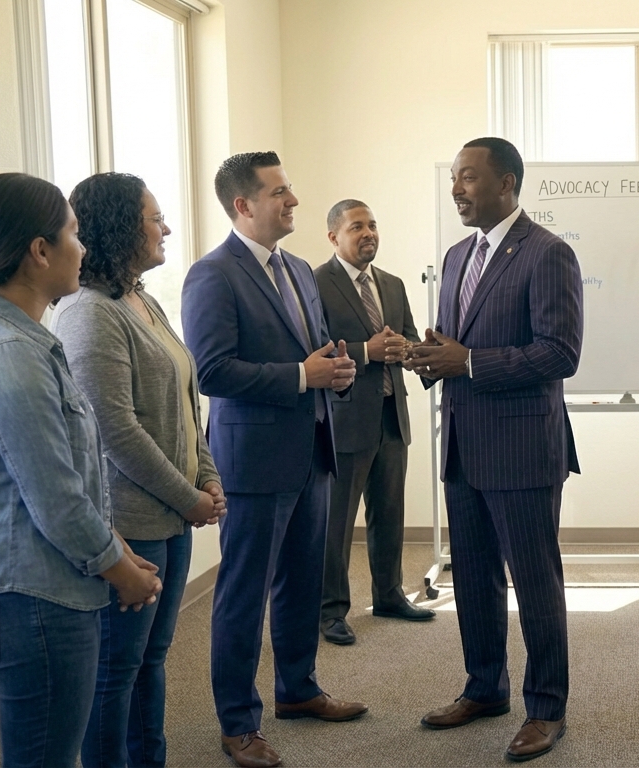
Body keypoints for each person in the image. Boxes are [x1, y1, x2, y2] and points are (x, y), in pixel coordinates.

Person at [0, 173, 162, 767]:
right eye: (74, 234)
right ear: (40, 251)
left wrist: (117, 550)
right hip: (33, 602)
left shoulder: (21, 339)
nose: (82, 250)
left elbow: (69, 478)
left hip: (41, 594)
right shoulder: (7, 352)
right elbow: (57, 497)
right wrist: (121, 570)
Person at [181, 152, 364, 768]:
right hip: (253, 460)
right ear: (243, 205)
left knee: (301, 582)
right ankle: (238, 723)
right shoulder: (212, 274)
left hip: (312, 449)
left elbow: (312, 354)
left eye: (291, 188)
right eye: (280, 192)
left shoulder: (298, 270)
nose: (292, 201)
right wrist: (298, 374)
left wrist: (334, 373)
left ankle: (298, 689)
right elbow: (212, 372)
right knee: (242, 594)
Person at [406, 137, 582, 762]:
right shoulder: (455, 257)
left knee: (535, 582)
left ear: (506, 183)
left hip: (523, 449)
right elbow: (458, 345)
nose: (456, 188)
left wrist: (469, 359)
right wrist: (433, 356)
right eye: (453, 178)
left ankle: (546, 707)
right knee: (474, 579)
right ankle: (485, 688)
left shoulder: (547, 254)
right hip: (462, 444)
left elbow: (560, 353)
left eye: (468, 179)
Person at [54, 172, 226, 767]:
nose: (167, 228)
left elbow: (186, 396)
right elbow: (115, 430)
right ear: (123, 227)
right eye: (156, 218)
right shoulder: (88, 313)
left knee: (151, 659)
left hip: (172, 515)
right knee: (117, 669)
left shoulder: (142, 298)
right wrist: (189, 497)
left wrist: (208, 477)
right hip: (132, 520)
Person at [314, 198, 431, 647]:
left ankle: (388, 595)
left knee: (389, 514)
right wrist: (368, 351)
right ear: (334, 237)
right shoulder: (316, 283)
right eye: (357, 227)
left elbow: (405, 340)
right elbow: (316, 347)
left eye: (373, 226)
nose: (369, 234)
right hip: (344, 418)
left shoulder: (394, 284)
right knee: (338, 522)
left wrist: (414, 351)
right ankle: (331, 611)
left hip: (391, 416)